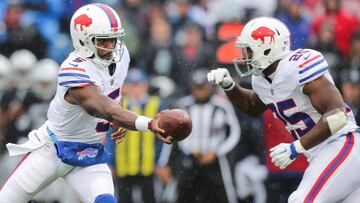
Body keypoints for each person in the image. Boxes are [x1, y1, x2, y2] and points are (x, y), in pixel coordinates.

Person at [0, 3, 171, 203]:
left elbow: (113, 92)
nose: (111, 46)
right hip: (53, 150)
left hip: (89, 154)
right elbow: (100, 106)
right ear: (83, 40)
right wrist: (147, 123)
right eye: (104, 41)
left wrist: (119, 115)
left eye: (113, 40)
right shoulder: (73, 69)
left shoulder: (121, 55)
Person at [207, 16, 360, 202]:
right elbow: (252, 106)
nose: (244, 55)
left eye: (248, 49)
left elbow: (338, 116)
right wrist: (230, 86)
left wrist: (297, 147)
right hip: (321, 152)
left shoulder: (298, 66)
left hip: (342, 144)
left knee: (301, 200)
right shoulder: (262, 79)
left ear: (267, 48)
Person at [166, 69, 241, 203]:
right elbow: (171, 136)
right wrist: (169, 161)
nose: (200, 91)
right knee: (182, 196)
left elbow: (234, 133)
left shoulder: (222, 105)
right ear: (191, 88)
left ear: (210, 87)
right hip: (189, 159)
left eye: (203, 88)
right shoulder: (182, 106)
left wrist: (217, 152)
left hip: (214, 160)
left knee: (221, 196)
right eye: (197, 88)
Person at [113, 68, 170, 203]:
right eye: (132, 85)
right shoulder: (118, 105)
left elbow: (164, 138)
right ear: (126, 87)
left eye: (139, 85)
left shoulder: (156, 104)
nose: (136, 89)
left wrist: (160, 163)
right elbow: (110, 135)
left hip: (148, 166)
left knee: (151, 198)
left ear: (145, 85)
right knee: (123, 198)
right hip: (123, 164)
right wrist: (110, 162)